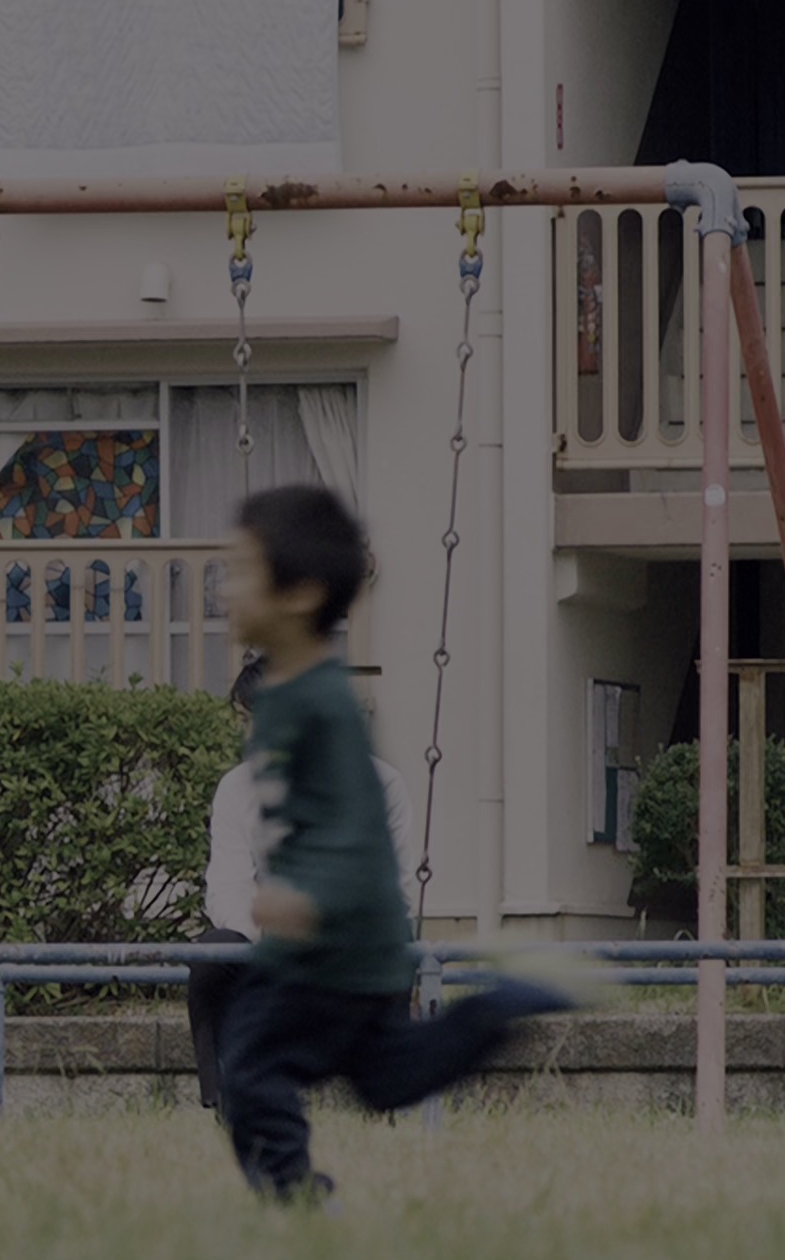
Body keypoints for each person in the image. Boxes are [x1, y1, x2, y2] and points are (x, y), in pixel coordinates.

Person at [215, 485, 598, 1204]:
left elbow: (353, 831)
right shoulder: (286, 700)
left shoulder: (321, 707)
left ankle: (297, 1199)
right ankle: (504, 1003)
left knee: (252, 1068)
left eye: (240, 571)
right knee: (385, 1080)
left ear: (299, 593)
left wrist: (305, 898)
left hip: (330, 950)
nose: (223, 588)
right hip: (347, 951)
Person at [184, 654, 421, 1114]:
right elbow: (227, 888)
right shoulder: (236, 788)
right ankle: (228, 1105)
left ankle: (387, 1105)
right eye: (245, 721)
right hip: (268, 943)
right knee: (213, 954)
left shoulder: (380, 785)